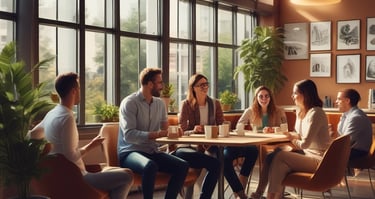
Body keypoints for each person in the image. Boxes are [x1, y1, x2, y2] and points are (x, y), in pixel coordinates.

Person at [28, 72, 134, 199]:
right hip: (79, 178)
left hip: (64, 177)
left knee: (117, 172)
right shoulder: (67, 117)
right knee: (127, 176)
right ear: (73, 91)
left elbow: (33, 134)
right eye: (78, 88)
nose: (80, 91)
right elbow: (70, 156)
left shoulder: (53, 113)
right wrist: (91, 146)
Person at [118, 67, 189, 199]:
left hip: (152, 151)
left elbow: (165, 131)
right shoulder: (130, 103)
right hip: (130, 152)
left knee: (182, 166)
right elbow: (129, 135)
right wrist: (158, 134)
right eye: (160, 83)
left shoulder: (160, 104)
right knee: (150, 166)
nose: (162, 86)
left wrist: (175, 132)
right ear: (150, 84)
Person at [266, 79, 332, 199]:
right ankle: (275, 197)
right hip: (307, 155)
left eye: (295, 93)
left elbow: (304, 144)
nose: (292, 96)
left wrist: (290, 138)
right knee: (280, 163)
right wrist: (285, 133)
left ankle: (269, 196)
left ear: (305, 94)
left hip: (319, 159)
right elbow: (299, 134)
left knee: (280, 156)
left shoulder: (316, 113)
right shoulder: (301, 111)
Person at [235, 86, 287, 199]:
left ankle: (271, 193)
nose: (264, 99)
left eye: (266, 96)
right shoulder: (250, 111)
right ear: (256, 98)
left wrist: (273, 129)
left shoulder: (279, 111)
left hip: (274, 144)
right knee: (263, 155)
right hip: (257, 144)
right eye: (261, 96)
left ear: (270, 98)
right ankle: (255, 192)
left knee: (274, 156)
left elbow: (285, 128)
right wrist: (249, 130)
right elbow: (239, 126)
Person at [177, 73, 221, 199]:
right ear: (193, 88)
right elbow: (182, 130)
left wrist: (212, 131)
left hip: (210, 143)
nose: (205, 87)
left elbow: (221, 124)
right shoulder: (186, 104)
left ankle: (236, 192)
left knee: (222, 160)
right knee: (209, 163)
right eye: (201, 85)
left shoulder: (215, 103)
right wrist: (193, 130)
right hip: (191, 145)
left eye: (206, 84)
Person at [333, 89, 373, 161]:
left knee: (327, 153)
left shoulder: (356, 117)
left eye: (339, 99)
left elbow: (345, 142)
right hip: (352, 149)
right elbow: (341, 137)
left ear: (347, 101)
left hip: (358, 153)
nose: (336, 102)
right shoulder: (346, 115)